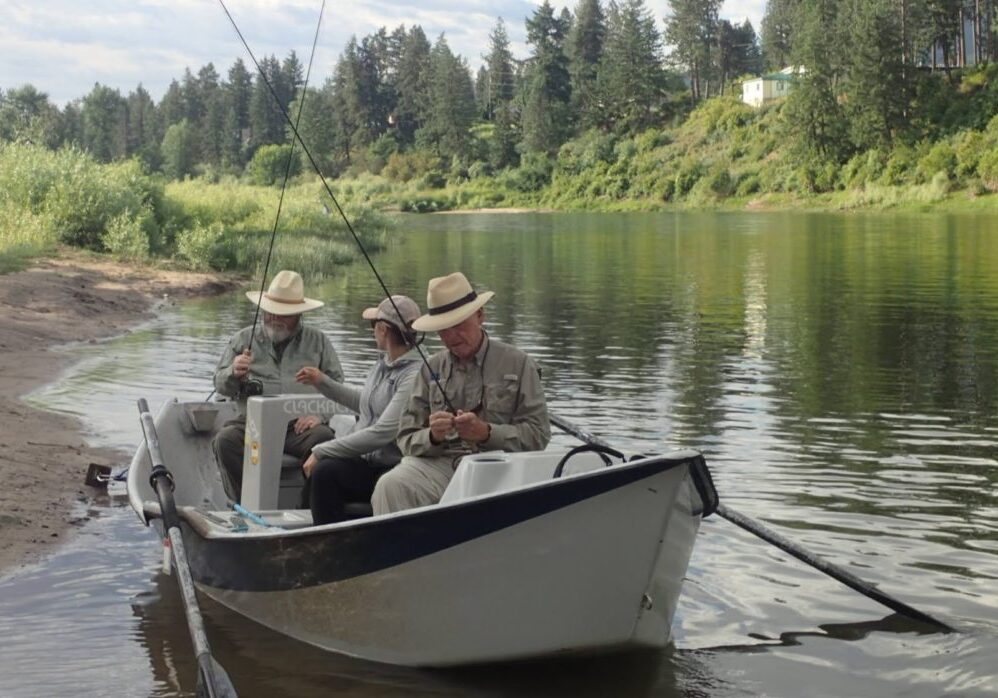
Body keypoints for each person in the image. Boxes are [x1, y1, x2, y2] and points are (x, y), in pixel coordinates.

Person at [372, 272, 551, 514]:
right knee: (390, 485)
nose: (451, 336)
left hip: (501, 468)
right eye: (443, 329)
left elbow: (538, 436)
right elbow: (405, 437)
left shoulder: (519, 364)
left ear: (480, 316)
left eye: (458, 325)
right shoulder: (430, 368)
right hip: (440, 465)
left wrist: (487, 433)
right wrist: (433, 436)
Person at [211, 269, 343, 502]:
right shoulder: (243, 339)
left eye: (284, 315)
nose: (275, 319)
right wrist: (233, 372)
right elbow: (220, 385)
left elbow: (338, 389)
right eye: (271, 312)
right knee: (224, 441)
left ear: (299, 315)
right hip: (251, 424)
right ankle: (242, 503)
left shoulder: (318, 341)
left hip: (300, 427)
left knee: (324, 441)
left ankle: (307, 505)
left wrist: (320, 414)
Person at [295, 295, 423, 524]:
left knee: (324, 470)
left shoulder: (414, 374)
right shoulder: (383, 364)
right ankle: (305, 528)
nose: (372, 331)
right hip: (366, 462)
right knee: (319, 463)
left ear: (383, 330)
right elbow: (365, 404)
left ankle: (329, 541)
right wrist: (322, 381)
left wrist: (323, 450)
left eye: (373, 326)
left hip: (390, 467)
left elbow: (383, 432)